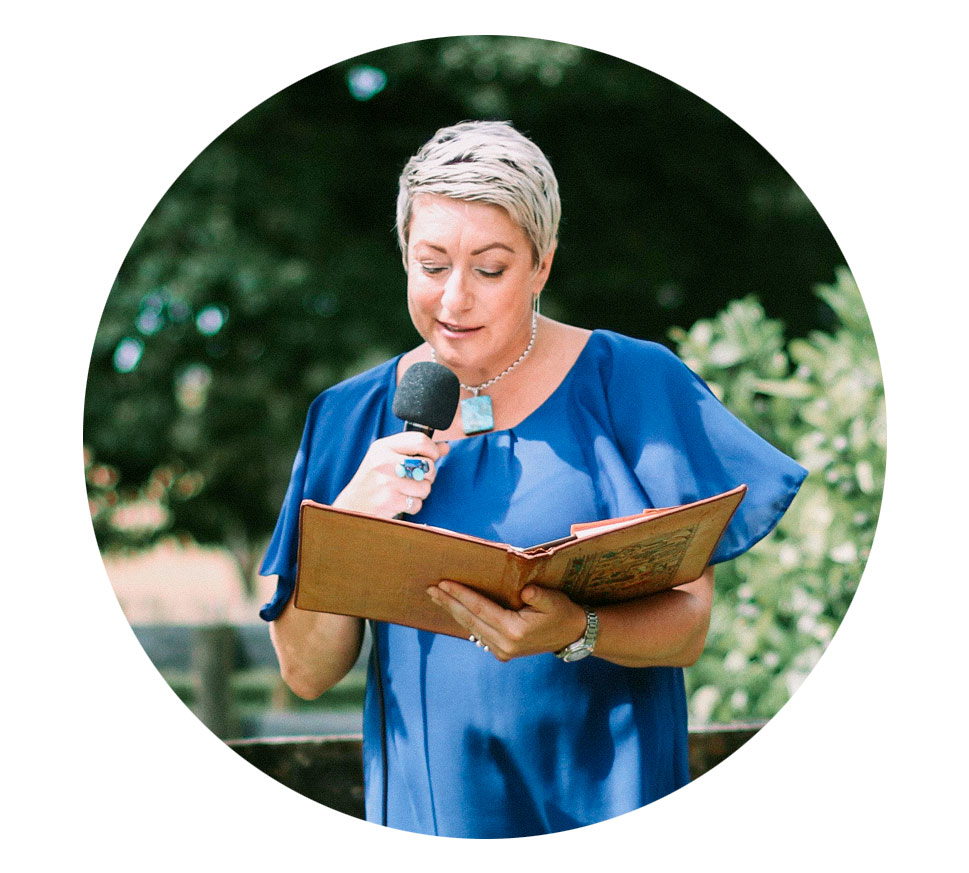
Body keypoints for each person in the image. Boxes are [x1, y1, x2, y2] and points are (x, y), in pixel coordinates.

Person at [259, 120, 807, 838]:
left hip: (611, 805)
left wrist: (575, 629)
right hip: (433, 817)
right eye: (430, 266)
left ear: (541, 265)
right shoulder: (345, 417)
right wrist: (349, 524)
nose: (453, 301)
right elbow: (304, 671)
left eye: (489, 269)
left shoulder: (632, 385)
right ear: (402, 254)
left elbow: (687, 627)